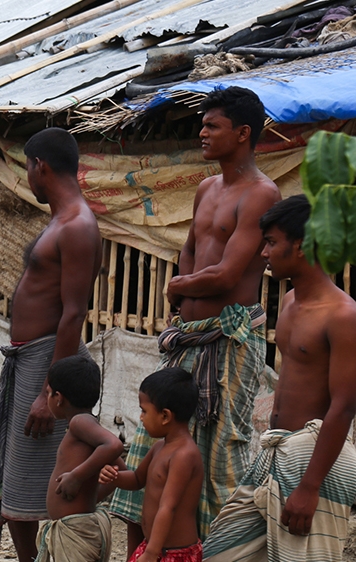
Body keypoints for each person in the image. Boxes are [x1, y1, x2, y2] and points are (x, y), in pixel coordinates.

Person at [109, 86, 281, 552]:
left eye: (212, 125)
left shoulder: (262, 193)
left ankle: (213, 551)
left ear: (242, 134)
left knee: (218, 454)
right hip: (189, 337)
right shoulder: (208, 187)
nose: (201, 132)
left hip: (227, 342)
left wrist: (178, 286)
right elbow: (189, 248)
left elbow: (227, 274)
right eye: (202, 124)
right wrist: (182, 290)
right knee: (154, 442)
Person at [202, 195, 356, 561]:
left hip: (314, 459)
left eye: (271, 243)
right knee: (220, 552)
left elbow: (345, 405)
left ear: (301, 246)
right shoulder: (288, 303)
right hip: (276, 450)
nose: (263, 254)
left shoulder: (343, 315)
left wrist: (310, 486)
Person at [0, 127, 102, 562]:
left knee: (34, 480)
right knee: (19, 478)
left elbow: (73, 313)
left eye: (27, 168)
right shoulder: (62, 220)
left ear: (41, 166)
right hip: (31, 360)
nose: (28, 177)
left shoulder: (78, 226)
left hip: (47, 363)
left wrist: (47, 390)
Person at [100, 368, 204, 562]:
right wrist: (115, 476)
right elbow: (137, 479)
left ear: (165, 416)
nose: (141, 417)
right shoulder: (159, 447)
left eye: (144, 411)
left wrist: (151, 553)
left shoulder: (184, 455)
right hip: (153, 547)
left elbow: (168, 507)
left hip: (174, 554)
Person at [35, 355, 123, 562]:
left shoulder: (79, 423)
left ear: (59, 397)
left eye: (47, 393)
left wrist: (76, 477)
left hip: (76, 531)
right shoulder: (86, 424)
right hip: (75, 527)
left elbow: (114, 445)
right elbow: (120, 468)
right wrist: (91, 498)